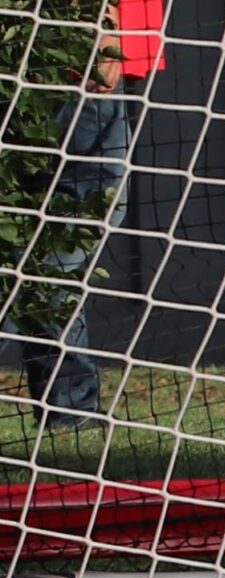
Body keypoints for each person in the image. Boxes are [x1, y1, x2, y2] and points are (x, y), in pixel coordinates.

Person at [22, 0, 159, 431]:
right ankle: (70, 404)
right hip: (67, 59)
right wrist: (100, 28)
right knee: (72, 227)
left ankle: (69, 404)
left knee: (54, 234)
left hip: (66, 54)